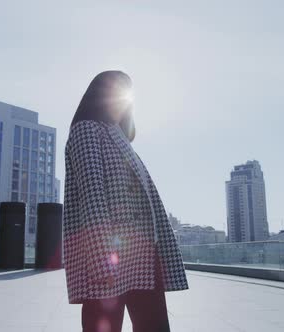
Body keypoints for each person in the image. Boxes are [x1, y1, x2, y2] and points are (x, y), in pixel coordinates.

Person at [63, 70, 189, 332]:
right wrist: (101, 263)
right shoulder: (87, 130)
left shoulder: (119, 137)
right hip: (110, 258)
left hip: (142, 254)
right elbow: (93, 198)